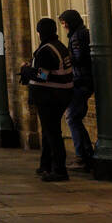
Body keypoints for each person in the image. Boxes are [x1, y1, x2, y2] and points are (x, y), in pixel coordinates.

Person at [26, 17, 75, 182]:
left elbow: (43, 75)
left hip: (50, 96)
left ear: (40, 33)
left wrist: (28, 71)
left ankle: (60, 170)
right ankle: (45, 165)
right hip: (63, 94)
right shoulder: (59, 46)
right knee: (49, 131)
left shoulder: (47, 50)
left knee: (53, 132)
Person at [59, 9, 95, 171]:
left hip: (81, 81)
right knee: (75, 117)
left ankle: (83, 155)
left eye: (65, 22)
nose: (64, 26)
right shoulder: (81, 34)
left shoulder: (76, 37)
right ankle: (86, 153)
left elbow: (79, 58)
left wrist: (64, 58)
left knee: (72, 118)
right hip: (84, 80)